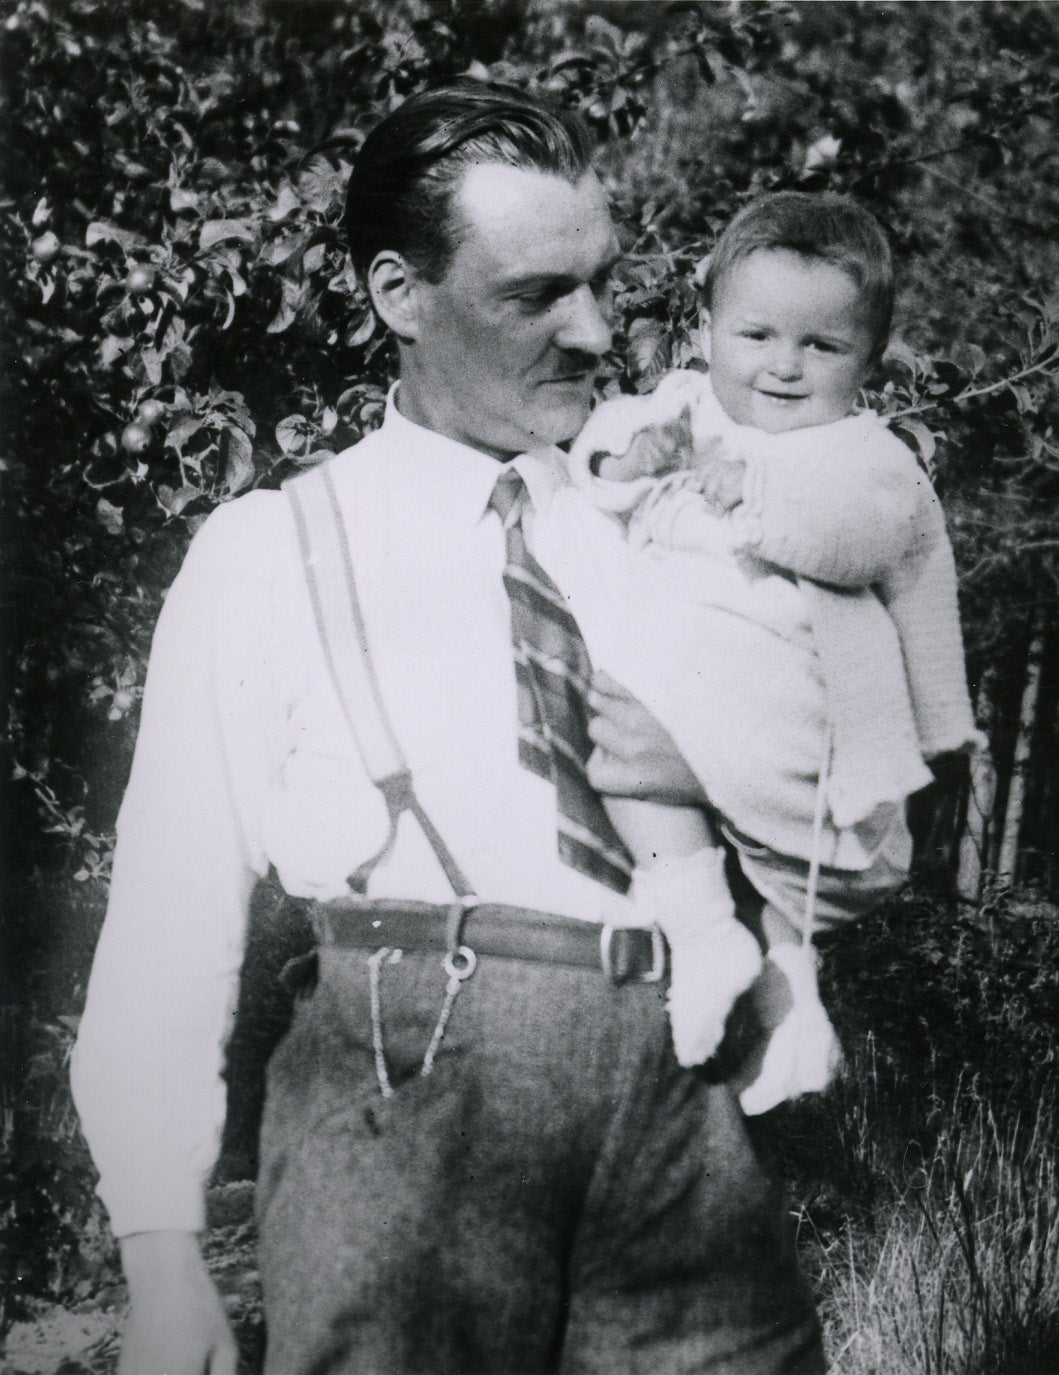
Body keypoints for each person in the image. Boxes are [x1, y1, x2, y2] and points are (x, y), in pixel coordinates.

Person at [71, 82, 826, 1374]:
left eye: (602, 282)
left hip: (680, 1104)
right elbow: (168, 911)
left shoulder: (662, 525)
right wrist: (160, 1251)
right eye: (536, 294)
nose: (593, 330)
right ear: (397, 295)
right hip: (407, 1091)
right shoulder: (274, 551)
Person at [540, 191, 983, 1113]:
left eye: (820, 348)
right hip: (683, 679)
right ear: (704, 330)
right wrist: (633, 457)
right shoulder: (684, 404)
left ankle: (718, 947)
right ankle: (765, 986)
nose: (783, 368)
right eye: (757, 337)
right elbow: (599, 462)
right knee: (632, 757)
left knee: (654, 763)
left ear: (866, 361)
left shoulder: (867, 453)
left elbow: (860, 535)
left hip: (787, 693)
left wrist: (757, 496)